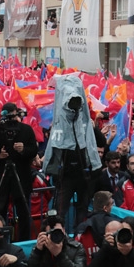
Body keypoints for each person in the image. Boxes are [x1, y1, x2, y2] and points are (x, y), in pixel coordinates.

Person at [43, 75, 103, 227]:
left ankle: (80, 236)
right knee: (60, 210)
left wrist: (94, 165)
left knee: (82, 209)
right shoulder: (60, 123)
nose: (73, 104)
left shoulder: (85, 125)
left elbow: (98, 143)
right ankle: (59, 234)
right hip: (65, 175)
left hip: (84, 172)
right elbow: (52, 147)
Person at [0, 102, 38, 241]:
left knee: (24, 212)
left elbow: (33, 151)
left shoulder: (26, 130)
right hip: (1, 177)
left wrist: (23, 150)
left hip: (21, 177)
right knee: (0, 212)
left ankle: (24, 241)